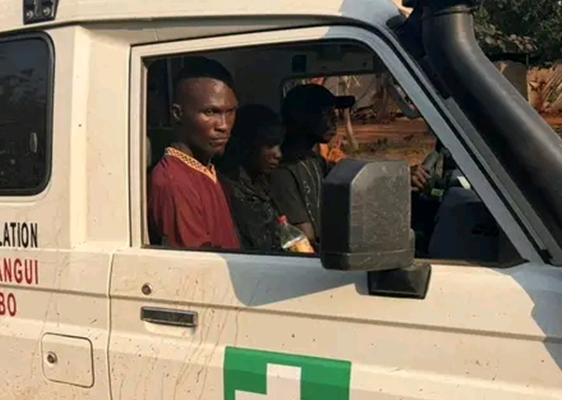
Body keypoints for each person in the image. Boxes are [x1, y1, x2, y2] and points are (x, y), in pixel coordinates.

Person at [268, 83, 430, 247]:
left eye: (334, 113)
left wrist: (400, 175)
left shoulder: (313, 160)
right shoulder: (283, 172)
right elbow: (305, 240)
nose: (334, 120)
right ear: (301, 118)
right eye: (326, 113)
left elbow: (356, 180)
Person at [147, 57, 241, 250]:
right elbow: (197, 270)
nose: (223, 125)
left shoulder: (206, 169)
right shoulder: (174, 182)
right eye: (210, 112)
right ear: (177, 114)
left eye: (230, 112)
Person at [217, 104, 287, 253]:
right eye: (269, 145)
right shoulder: (229, 189)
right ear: (249, 144)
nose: (278, 154)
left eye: (279, 146)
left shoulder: (261, 183)